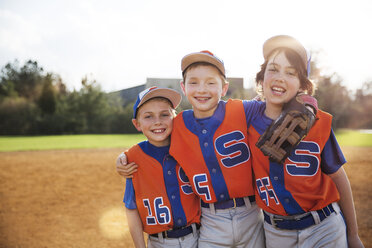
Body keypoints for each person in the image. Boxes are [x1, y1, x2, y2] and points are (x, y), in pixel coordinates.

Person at [247, 35, 364, 248]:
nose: (280, 77)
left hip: (325, 228)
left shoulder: (317, 122)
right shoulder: (245, 119)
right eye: (273, 69)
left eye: (291, 73)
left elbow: (339, 178)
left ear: (302, 85)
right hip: (276, 234)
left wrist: (353, 234)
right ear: (261, 77)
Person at [122, 86, 201, 248]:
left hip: (198, 238)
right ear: (137, 124)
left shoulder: (189, 147)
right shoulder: (133, 158)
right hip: (159, 243)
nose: (157, 121)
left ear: (175, 117)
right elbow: (131, 208)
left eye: (164, 114)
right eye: (148, 116)